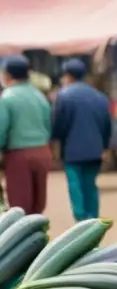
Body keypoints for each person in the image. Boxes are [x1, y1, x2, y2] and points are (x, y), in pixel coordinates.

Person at [51, 59, 112, 221]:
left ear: (67, 76)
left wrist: (56, 142)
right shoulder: (100, 97)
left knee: (75, 186)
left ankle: (80, 221)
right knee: (91, 185)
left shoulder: (64, 96)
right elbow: (107, 125)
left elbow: (59, 125)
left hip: (72, 150)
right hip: (95, 149)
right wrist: (105, 146)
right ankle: (93, 220)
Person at [0, 55, 53, 214]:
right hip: (43, 152)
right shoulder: (40, 96)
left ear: (7, 75)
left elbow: (2, 129)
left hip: (19, 155)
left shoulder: (7, 98)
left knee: (20, 206)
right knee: (38, 204)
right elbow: (47, 125)